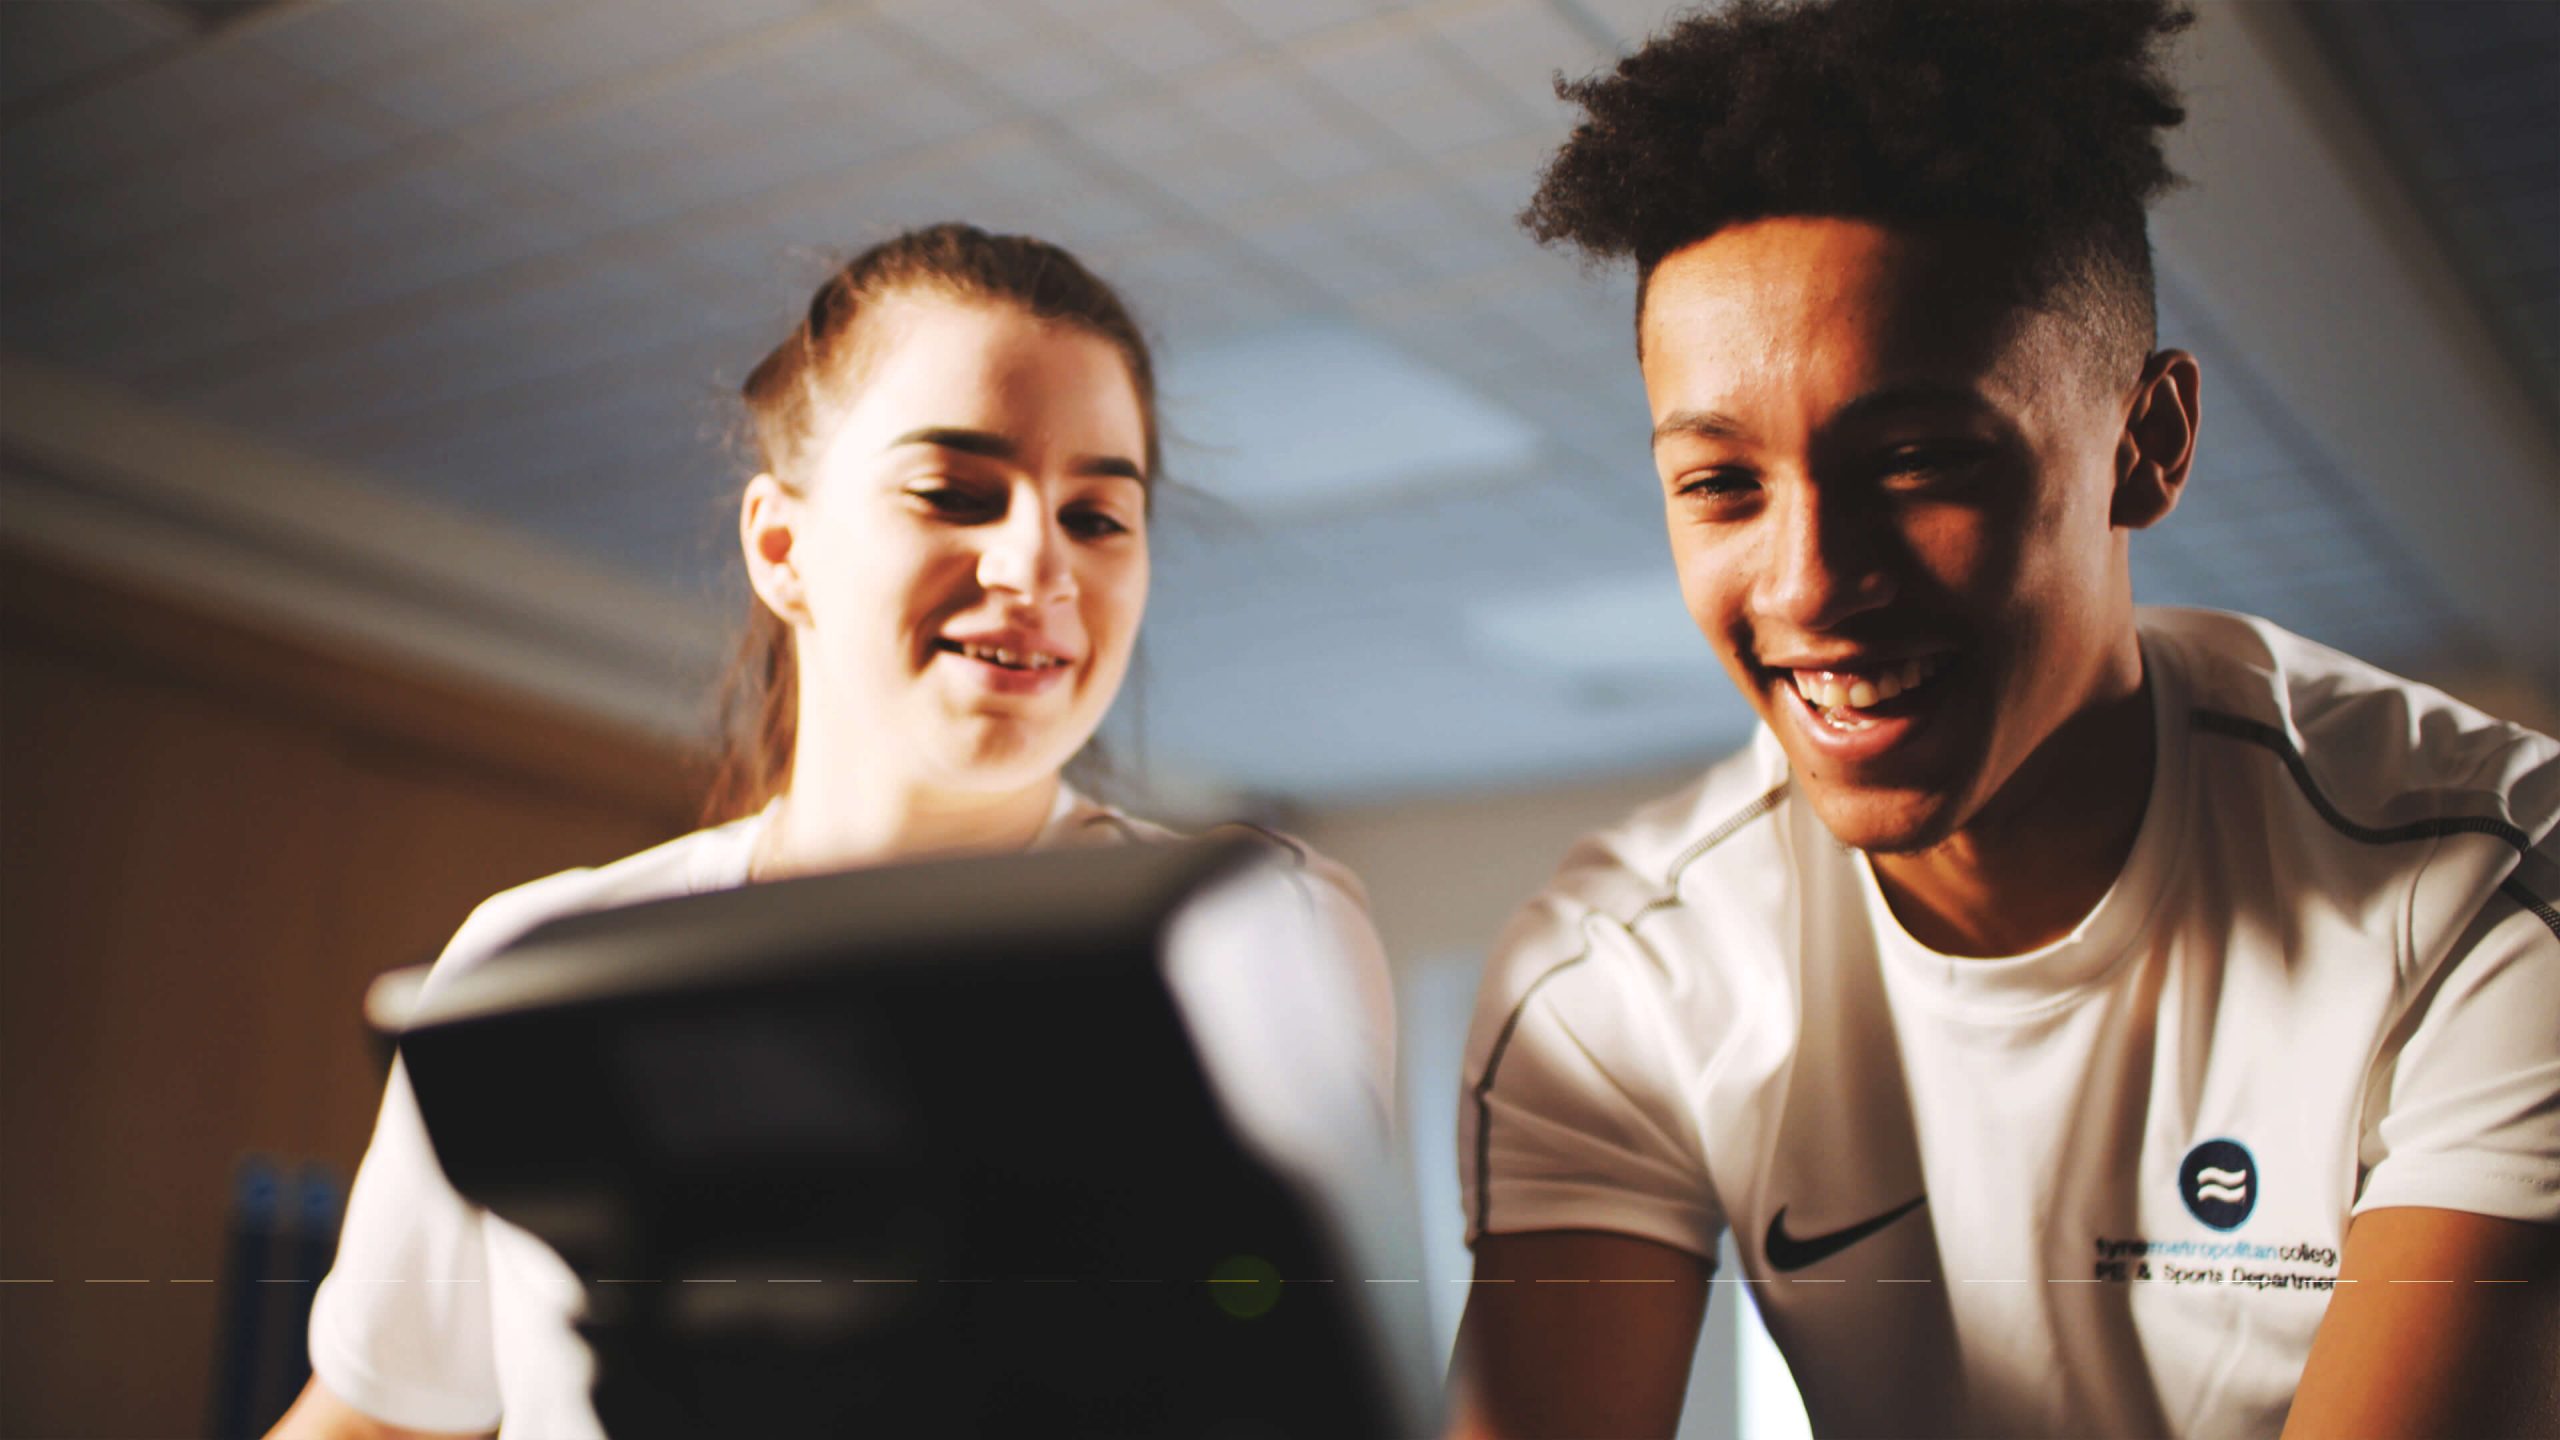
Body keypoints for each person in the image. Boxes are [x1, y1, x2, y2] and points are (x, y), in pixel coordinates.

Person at [1451, 3, 2559, 1436]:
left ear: (2144, 444)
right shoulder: (1619, 979)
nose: (1812, 586)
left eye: (1918, 462)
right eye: (1722, 486)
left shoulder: (2488, 889)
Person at [269, 223, 1395, 1440]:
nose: (1036, 562)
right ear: (781, 546)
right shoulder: (540, 956)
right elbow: (373, 1417)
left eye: (1098, 517)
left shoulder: (1259, 934)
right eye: (954, 495)